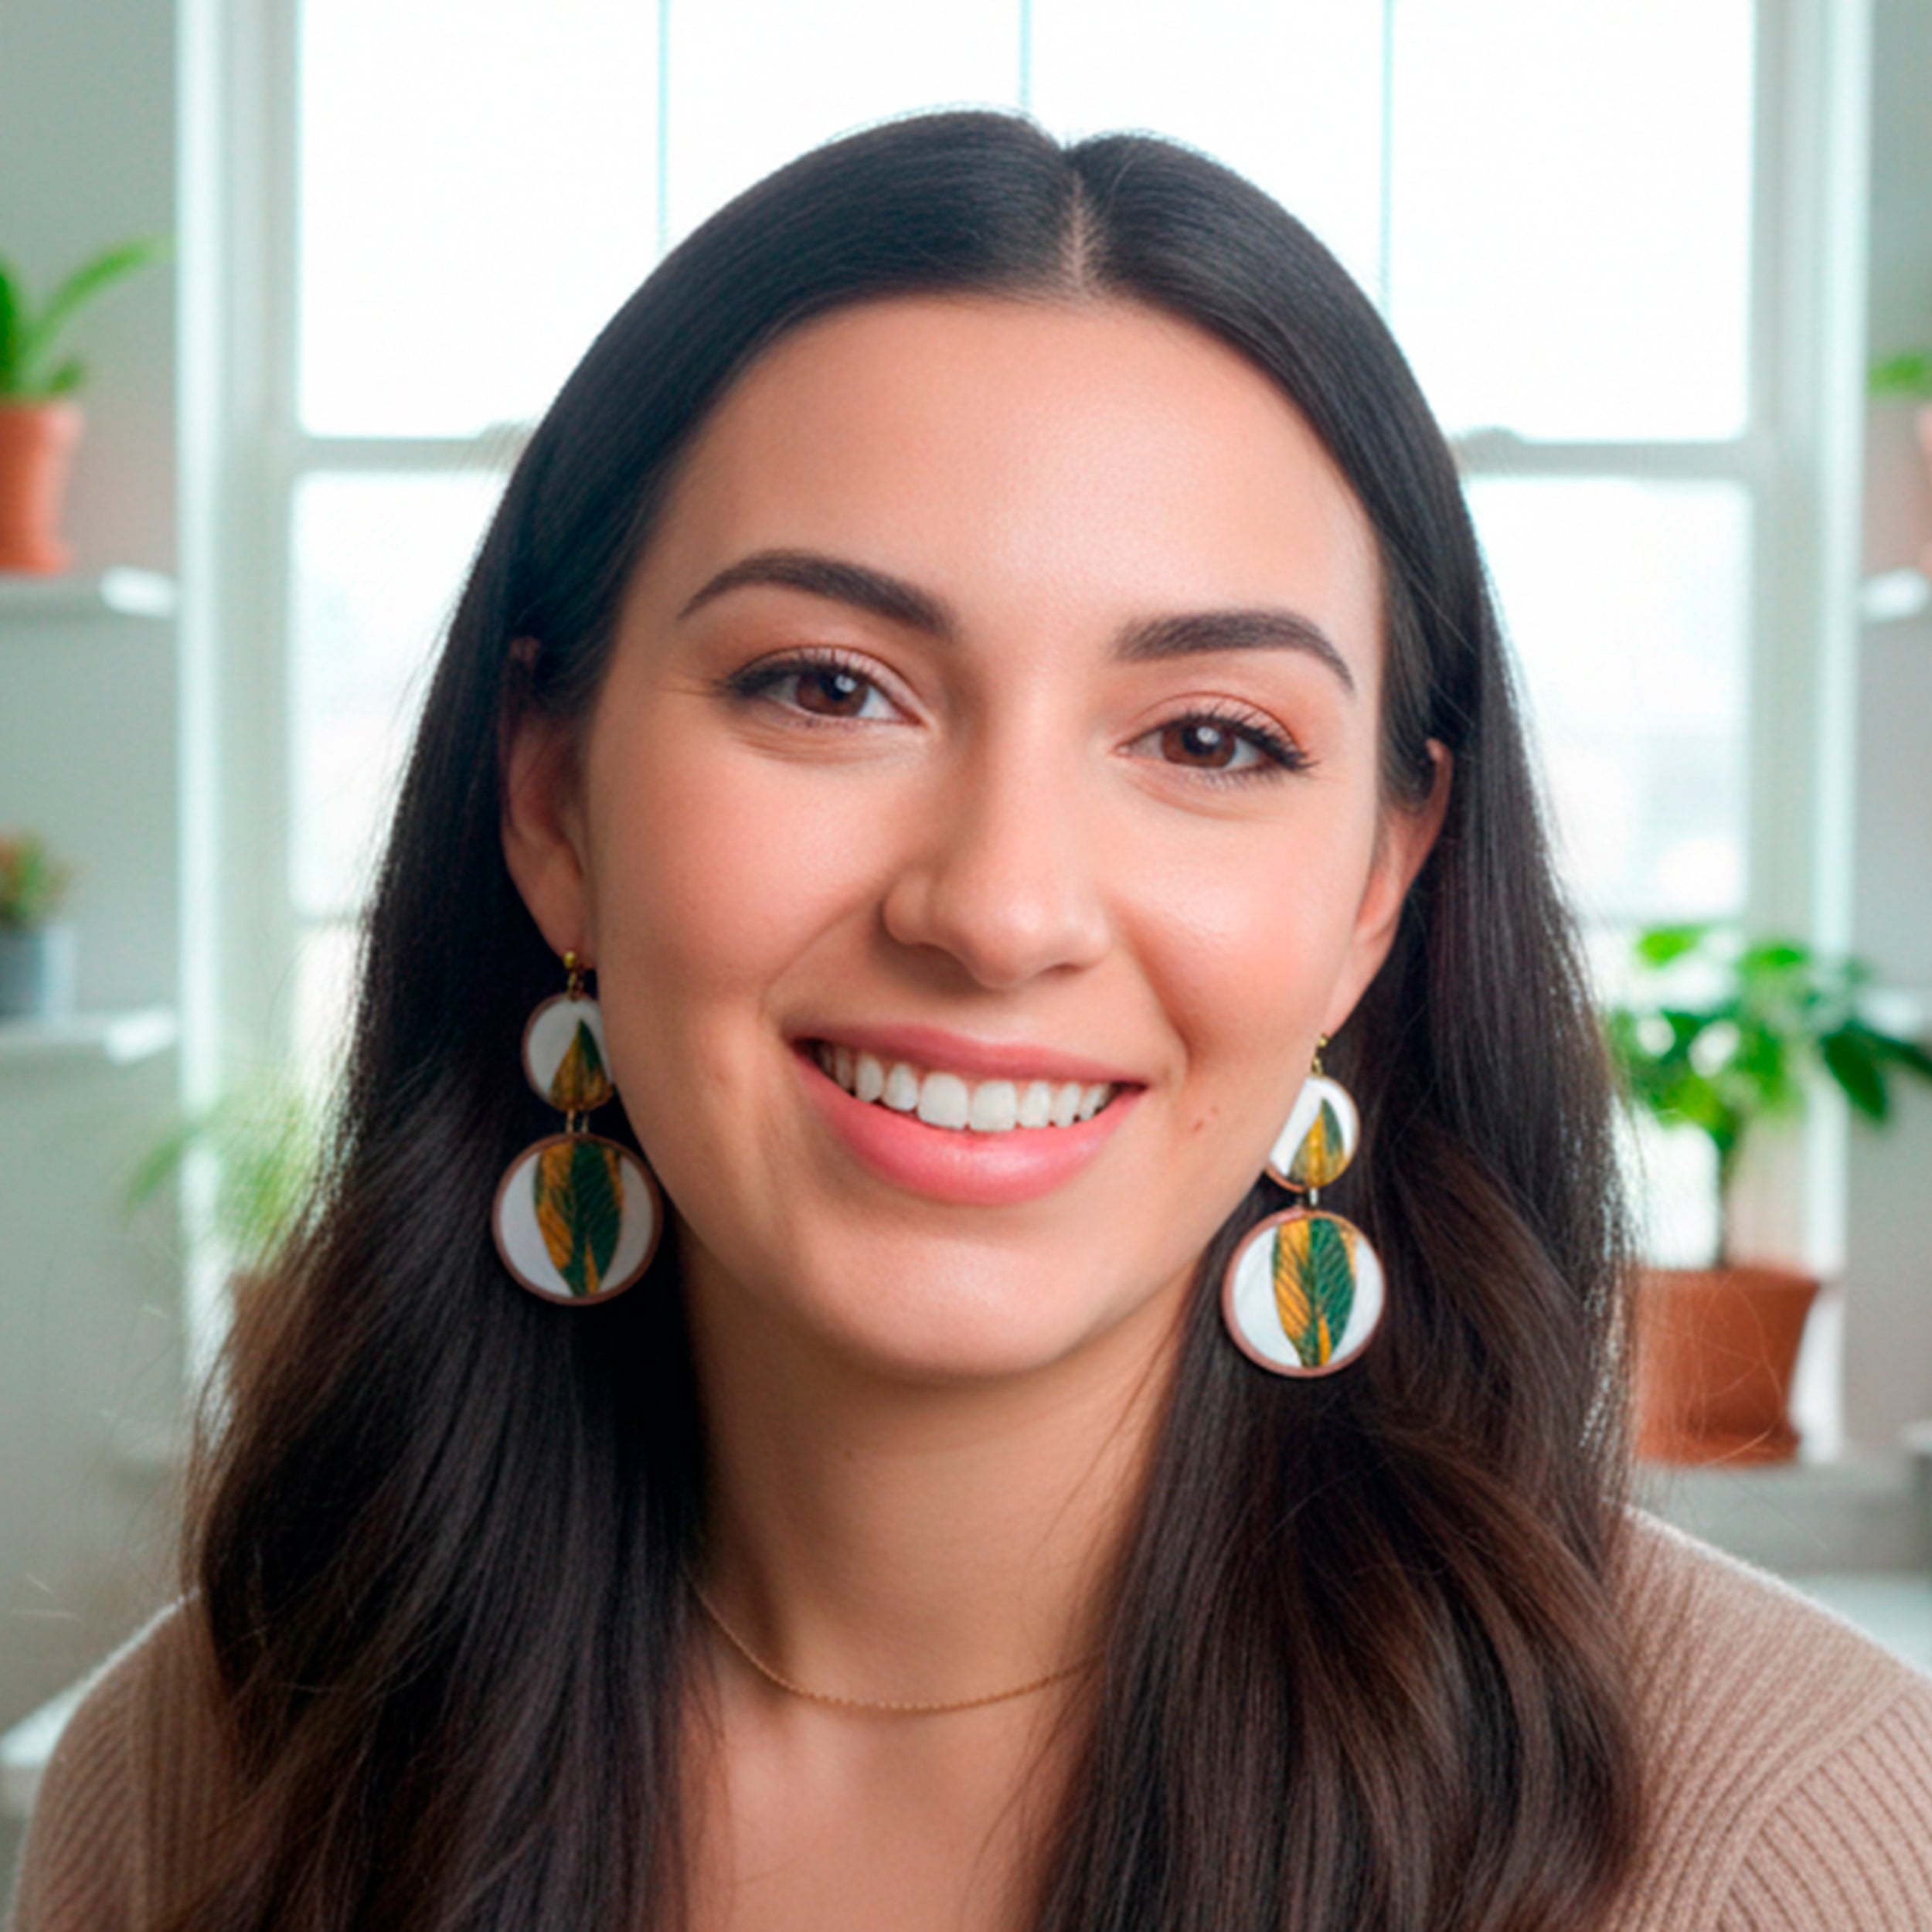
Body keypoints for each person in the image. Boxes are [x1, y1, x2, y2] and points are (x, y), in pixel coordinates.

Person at [11, 110, 1932, 1932]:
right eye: (828, 686)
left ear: (1376, 884)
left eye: (1207, 737)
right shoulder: (200, 1781)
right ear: (548, 795)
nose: (999, 909)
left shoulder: (1795, 1835)